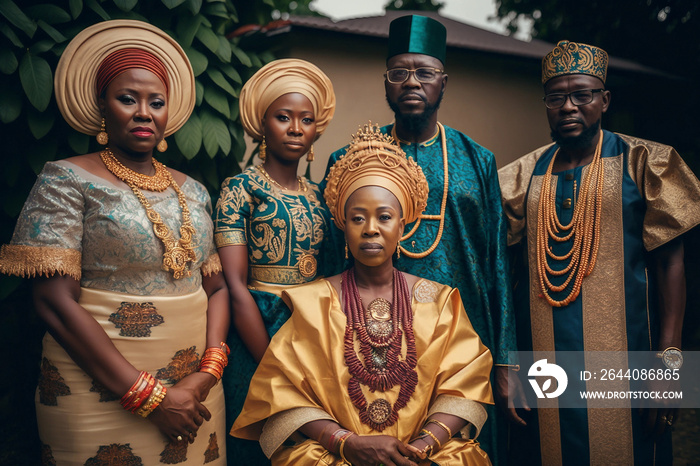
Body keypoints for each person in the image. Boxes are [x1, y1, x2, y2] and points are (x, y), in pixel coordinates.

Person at [0, 20, 229, 464]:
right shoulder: (66, 178)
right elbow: (52, 302)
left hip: (196, 396)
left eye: (156, 102)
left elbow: (216, 287)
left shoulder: (195, 189)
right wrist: (147, 395)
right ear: (103, 106)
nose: (144, 112)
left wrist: (207, 373)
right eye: (128, 99)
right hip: (94, 393)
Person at [231, 122, 494, 465]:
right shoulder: (312, 303)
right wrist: (347, 444)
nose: (371, 228)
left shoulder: (440, 302)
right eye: (358, 218)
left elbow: (466, 383)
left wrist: (424, 446)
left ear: (402, 226)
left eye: (384, 217)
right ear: (343, 225)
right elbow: (283, 392)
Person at [323, 14, 515, 463]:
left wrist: (506, 360)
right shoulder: (348, 160)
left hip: (465, 337)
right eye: (400, 72)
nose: (412, 82)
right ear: (386, 83)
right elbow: (333, 259)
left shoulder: (477, 159)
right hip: (370, 335)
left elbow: (499, 264)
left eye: (424, 72)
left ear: (443, 83)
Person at [498, 40, 700, 465]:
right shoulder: (520, 176)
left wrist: (670, 367)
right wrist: (508, 364)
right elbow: (506, 274)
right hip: (543, 368)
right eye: (556, 97)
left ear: (604, 100)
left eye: (581, 94)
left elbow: (671, 265)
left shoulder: (646, 162)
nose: (568, 106)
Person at [213, 58, 336, 464]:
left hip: (313, 332)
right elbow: (234, 285)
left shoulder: (321, 194)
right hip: (256, 328)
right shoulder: (240, 188)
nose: (296, 128)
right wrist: (272, 360)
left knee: (311, 446)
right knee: (259, 441)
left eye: (306, 119)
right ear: (263, 124)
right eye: (283, 117)